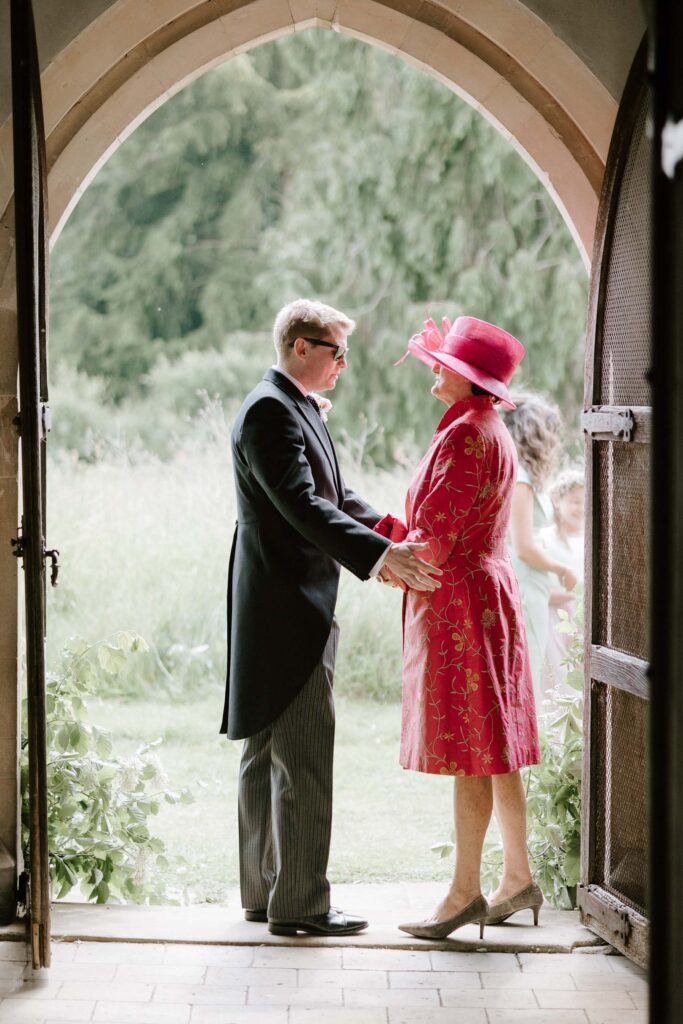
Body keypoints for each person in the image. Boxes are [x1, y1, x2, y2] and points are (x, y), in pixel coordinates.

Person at [220, 298, 442, 938]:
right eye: (336, 352)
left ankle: (266, 893)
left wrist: (389, 531)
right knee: (303, 755)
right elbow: (301, 506)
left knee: (267, 751)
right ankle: (300, 904)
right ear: (300, 347)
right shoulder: (270, 411)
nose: (344, 364)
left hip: (279, 600)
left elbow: (334, 495)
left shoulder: (289, 405)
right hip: (288, 605)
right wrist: (380, 558)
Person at [375, 315, 543, 940]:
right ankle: (518, 878)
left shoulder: (468, 434)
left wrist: (383, 557)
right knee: (496, 745)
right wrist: (386, 536)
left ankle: (465, 892)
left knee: (475, 749)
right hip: (486, 595)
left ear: (467, 378)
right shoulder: (486, 427)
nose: (435, 368)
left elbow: (435, 541)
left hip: (463, 606)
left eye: (445, 364)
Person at [501, 395, 577, 706]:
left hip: (534, 582)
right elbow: (523, 546)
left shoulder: (523, 476)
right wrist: (561, 569)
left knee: (528, 665)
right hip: (526, 581)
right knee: (525, 665)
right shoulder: (520, 480)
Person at [540, 469, 585, 696]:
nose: (581, 508)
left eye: (585, 501)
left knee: (581, 672)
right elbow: (538, 585)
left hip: (583, 617)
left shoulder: (590, 538)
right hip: (554, 618)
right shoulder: (545, 539)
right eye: (575, 501)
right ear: (557, 501)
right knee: (557, 673)